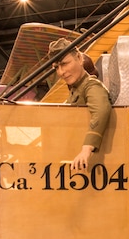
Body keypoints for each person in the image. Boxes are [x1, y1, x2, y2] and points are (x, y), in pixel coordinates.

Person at [48, 37, 112, 172]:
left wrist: (86, 149)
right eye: (56, 68)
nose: (60, 72)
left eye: (65, 64)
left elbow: (101, 110)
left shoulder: (91, 86)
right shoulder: (76, 89)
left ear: (79, 58)